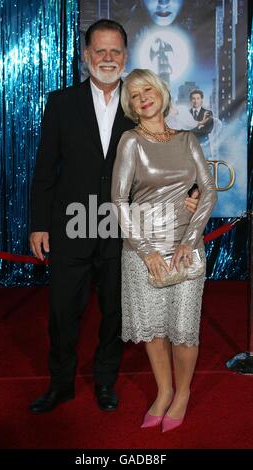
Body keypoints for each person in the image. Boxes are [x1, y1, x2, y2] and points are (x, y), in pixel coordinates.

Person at [29, 20, 199, 415]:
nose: (108, 58)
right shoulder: (60, 102)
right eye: (100, 51)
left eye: (115, 51)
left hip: (126, 229)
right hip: (72, 223)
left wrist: (189, 196)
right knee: (62, 311)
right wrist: (39, 223)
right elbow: (44, 169)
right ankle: (61, 384)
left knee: (115, 313)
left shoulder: (139, 102)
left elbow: (170, 157)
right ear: (85, 56)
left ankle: (106, 382)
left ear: (125, 56)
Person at [112, 69, 217, 432]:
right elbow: (118, 200)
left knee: (184, 329)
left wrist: (189, 241)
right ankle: (163, 391)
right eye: (135, 94)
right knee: (154, 331)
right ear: (131, 105)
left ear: (161, 93)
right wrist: (145, 250)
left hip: (186, 250)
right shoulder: (130, 141)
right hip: (144, 253)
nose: (143, 96)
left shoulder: (188, 139)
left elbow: (208, 190)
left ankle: (183, 393)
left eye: (148, 89)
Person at [189, 89, 214, 160]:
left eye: (198, 98)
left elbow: (208, 130)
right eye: (193, 98)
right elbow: (183, 130)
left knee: (204, 170)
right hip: (189, 149)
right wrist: (199, 127)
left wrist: (191, 129)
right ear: (190, 100)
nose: (195, 101)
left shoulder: (208, 113)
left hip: (204, 149)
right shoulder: (186, 114)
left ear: (201, 100)